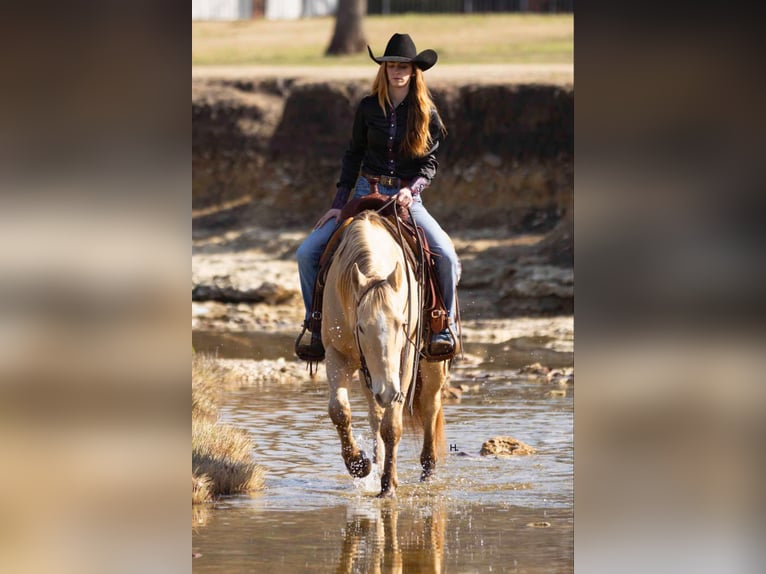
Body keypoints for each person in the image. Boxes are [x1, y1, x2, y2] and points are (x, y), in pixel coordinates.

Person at [295, 32, 459, 361]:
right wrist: (338, 205)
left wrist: (410, 191)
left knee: (446, 255)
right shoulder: (368, 108)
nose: (396, 71)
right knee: (307, 252)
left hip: (405, 196)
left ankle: (443, 325)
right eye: (390, 66)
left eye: (403, 66)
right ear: (383, 70)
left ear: (415, 71)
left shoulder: (427, 112)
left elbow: (429, 164)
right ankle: (315, 324)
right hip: (364, 190)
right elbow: (353, 155)